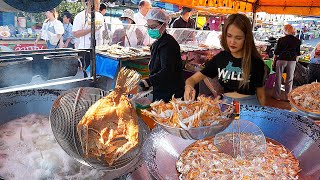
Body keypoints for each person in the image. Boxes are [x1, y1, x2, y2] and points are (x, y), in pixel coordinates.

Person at [184, 14, 266, 106]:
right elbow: (192, 79)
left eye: (238, 38)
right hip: (226, 105)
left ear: (246, 38)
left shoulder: (256, 62)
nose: (232, 42)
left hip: (250, 107)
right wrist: (189, 86)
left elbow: (261, 95)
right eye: (229, 36)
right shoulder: (221, 58)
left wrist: (261, 116)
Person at [139, 8, 184, 102]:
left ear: (164, 25)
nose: (151, 30)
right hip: (161, 87)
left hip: (170, 91)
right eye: (149, 27)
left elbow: (167, 70)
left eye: (154, 27)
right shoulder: (158, 42)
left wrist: (149, 81)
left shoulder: (168, 44)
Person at [273, 24, 301, 101]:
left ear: (285, 30)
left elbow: (276, 52)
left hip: (281, 59)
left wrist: (274, 60)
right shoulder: (297, 41)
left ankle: (276, 96)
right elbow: (298, 53)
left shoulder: (281, 39)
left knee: (278, 77)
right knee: (289, 79)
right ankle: (288, 97)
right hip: (292, 60)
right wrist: (296, 61)